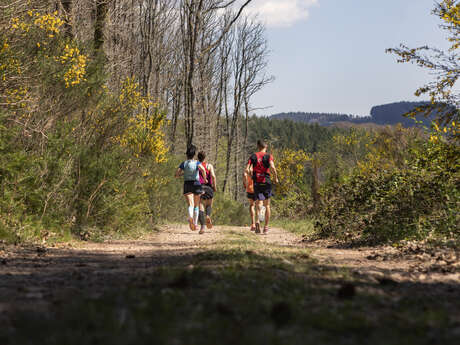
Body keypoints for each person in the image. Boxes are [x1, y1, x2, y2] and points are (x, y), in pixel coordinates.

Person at [245, 139, 279, 234]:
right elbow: (272, 167)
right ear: (266, 147)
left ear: (258, 147)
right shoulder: (268, 156)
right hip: (266, 182)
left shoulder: (253, 156)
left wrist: (251, 176)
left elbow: (247, 169)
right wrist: (275, 177)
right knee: (266, 204)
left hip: (257, 183)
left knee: (258, 202)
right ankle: (266, 227)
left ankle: (257, 221)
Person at [175, 145, 207, 231]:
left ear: (187, 155)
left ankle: (190, 217)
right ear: (194, 155)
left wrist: (180, 175)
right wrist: (204, 178)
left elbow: (177, 173)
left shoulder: (184, 163)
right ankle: (196, 224)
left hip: (187, 184)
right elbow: (203, 170)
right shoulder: (197, 163)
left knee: (190, 204)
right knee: (196, 205)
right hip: (196, 184)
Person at [197, 151, 217, 234]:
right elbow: (213, 176)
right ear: (205, 158)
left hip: (200, 187)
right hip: (209, 187)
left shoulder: (197, 165)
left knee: (200, 206)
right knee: (209, 204)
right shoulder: (209, 166)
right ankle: (208, 216)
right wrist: (214, 186)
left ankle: (202, 227)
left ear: (198, 158)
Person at [243, 167, 256, 231]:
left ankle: (253, 223)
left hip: (250, 189)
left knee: (252, 205)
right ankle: (258, 220)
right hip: (258, 188)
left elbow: (245, 175)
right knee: (260, 203)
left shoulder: (248, 168)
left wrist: (245, 184)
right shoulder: (260, 166)